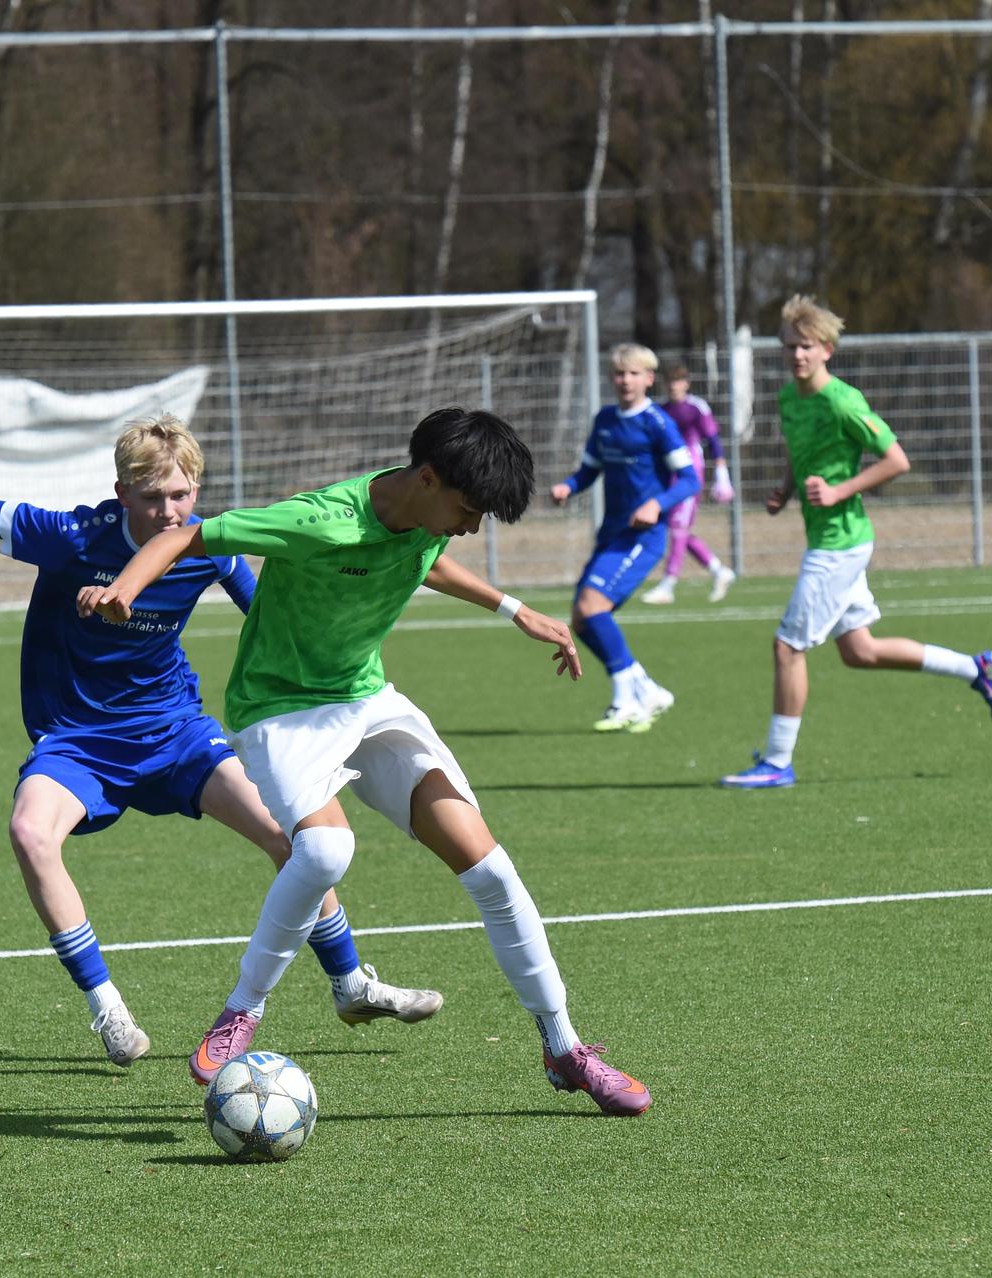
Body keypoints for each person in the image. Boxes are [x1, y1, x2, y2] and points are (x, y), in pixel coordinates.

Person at [77, 407, 653, 1116]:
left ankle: (565, 1049)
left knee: (492, 870)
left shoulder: (422, 519)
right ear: (428, 478)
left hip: (368, 702)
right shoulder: (321, 520)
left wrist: (514, 610)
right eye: (468, 510)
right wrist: (124, 591)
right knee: (323, 852)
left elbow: (425, 557)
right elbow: (191, 533)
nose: (472, 527)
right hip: (281, 711)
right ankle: (241, 1011)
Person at [0, 416, 443, 1066]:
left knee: (295, 837)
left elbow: (269, 614)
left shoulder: (207, 546)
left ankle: (350, 981)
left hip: (174, 730)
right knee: (30, 832)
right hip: (78, 738)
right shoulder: (72, 534)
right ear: (121, 493)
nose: (170, 512)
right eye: (153, 498)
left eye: (181, 496)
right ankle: (107, 1008)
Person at [721, 296, 992, 791]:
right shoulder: (790, 398)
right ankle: (975, 668)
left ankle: (777, 761)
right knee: (860, 651)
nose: (796, 356)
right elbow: (799, 450)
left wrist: (839, 490)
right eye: (789, 346)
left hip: (840, 543)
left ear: (827, 349)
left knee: (788, 647)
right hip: (829, 539)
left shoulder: (843, 401)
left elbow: (897, 460)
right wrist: (786, 490)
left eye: (806, 346)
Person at [548, 343, 700, 733]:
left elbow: (690, 479)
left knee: (592, 605)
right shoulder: (605, 421)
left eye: (634, 373)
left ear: (649, 379)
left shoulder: (658, 423)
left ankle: (625, 697)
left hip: (642, 537)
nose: (625, 380)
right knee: (582, 619)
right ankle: (646, 689)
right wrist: (568, 486)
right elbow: (589, 470)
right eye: (619, 373)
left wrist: (656, 505)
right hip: (612, 534)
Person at [640, 366, 737, 605]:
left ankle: (668, 584)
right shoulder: (661, 409)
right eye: (670, 381)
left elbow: (713, 441)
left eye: (679, 380)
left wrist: (722, 474)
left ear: (687, 383)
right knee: (680, 530)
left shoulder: (697, 408)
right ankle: (718, 571)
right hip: (668, 475)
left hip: (690, 474)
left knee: (678, 528)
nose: (674, 386)